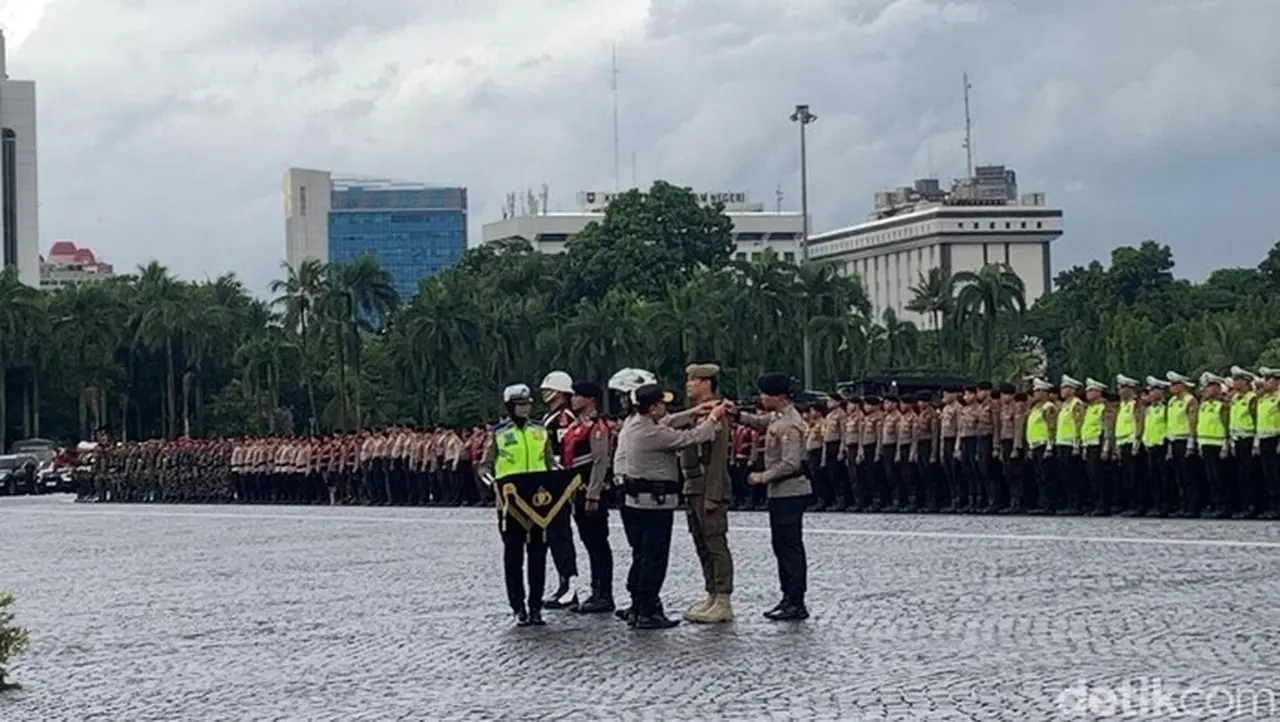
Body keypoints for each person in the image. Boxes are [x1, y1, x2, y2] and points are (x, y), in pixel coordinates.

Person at [620, 383, 726, 630]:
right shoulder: (652, 433)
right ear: (652, 407)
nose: (665, 409)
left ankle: (638, 607)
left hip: (637, 503)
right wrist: (712, 418)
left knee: (641, 556)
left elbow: (668, 421)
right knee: (654, 559)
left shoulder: (635, 423)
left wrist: (694, 412)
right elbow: (691, 437)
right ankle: (647, 610)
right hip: (654, 506)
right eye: (661, 404)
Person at [478, 383, 557, 627]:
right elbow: (484, 467)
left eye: (527, 404)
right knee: (513, 557)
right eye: (520, 404)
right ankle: (518, 606)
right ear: (510, 406)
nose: (525, 408)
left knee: (538, 556)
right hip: (509, 505)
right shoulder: (499, 433)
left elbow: (550, 462)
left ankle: (535, 606)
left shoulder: (540, 430)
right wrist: (494, 485)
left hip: (539, 504)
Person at [735, 372, 811, 621]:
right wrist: (736, 415)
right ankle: (788, 596)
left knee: (790, 547)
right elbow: (760, 422)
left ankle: (796, 600)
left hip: (790, 490)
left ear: (778, 397)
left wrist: (763, 477)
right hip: (780, 492)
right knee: (781, 545)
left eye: (764, 394)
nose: (761, 398)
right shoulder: (778, 416)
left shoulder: (789, 423)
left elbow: (790, 463)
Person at [664, 363, 735, 624]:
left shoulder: (717, 413)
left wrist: (713, 494)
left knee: (715, 544)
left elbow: (718, 458)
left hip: (707, 484)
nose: (688, 385)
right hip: (693, 484)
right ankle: (711, 593)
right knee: (701, 543)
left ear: (706, 383)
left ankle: (723, 599)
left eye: (693, 380)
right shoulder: (698, 413)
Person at [561, 380, 617, 614]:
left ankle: (604, 593)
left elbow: (600, 460)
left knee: (598, 544)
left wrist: (593, 494)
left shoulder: (597, 426)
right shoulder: (577, 425)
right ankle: (596, 590)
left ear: (590, 399)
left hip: (590, 492)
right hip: (577, 491)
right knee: (590, 543)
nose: (573, 400)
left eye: (577, 396)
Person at [539, 370, 580, 610]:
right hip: (549, 480)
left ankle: (570, 586)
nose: (546, 393)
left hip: (559, 482)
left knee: (561, 534)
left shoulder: (564, 417)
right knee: (553, 535)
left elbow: (564, 452)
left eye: (549, 389)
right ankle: (563, 583)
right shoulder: (551, 416)